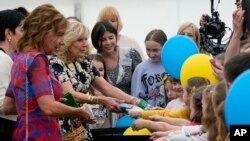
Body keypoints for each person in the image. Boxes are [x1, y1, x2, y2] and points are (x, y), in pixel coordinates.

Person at [3, 4, 96, 140]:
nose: (62, 42)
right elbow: (48, 108)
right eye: (59, 35)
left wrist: (34, 108)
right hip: (42, 133)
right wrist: (77, 112)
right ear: (43, 32)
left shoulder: (20, 59)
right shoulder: (37, 59)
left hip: (23, 133)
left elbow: (7, 106)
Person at [0, 9, 25, 141]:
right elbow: (2, 105)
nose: (25, 35)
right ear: (8, 33)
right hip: (4, 126)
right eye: (21, 30)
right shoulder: (3, 59)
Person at [131, 29, 167, 108]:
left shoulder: (172, 65)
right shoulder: (140, 69)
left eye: (155, 50)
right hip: (149, 117)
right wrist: (149, 111)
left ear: (165, 46)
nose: (151, 54)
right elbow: (136, 98)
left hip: (172, 115)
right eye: (148, 50)